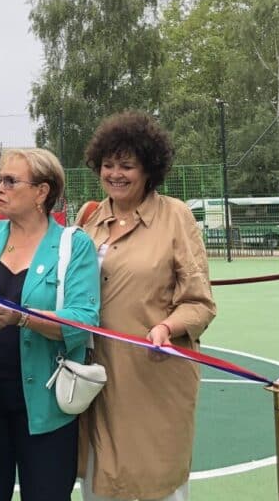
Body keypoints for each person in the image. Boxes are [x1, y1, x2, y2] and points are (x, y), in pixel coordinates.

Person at [0, 149, 100, 501]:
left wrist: (23, 318)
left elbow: (83, 320)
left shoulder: (73, 245)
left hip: (45, 403)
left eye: (10, 181)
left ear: (42, 192)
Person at [77, 111, 216, 501]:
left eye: (127, 165)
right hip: (96, 377)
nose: (115, 174)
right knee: (99, 481)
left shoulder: (176, 216)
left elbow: (199, 302)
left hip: (153, 376)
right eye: (108, 164)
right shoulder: (89, 219)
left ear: (149, 169)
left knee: (154, 482)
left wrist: (167, 328)